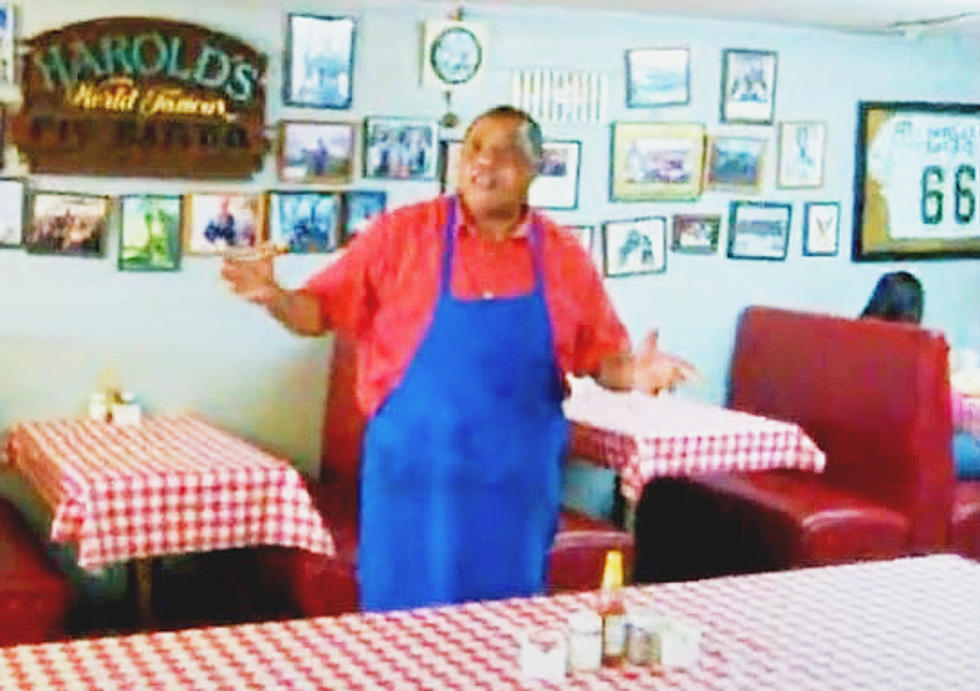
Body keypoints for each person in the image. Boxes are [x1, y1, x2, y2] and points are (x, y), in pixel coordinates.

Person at [221, 105, 696, 612]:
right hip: (412, 487)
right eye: (474, 148)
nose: (485, 163)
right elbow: (316, 313)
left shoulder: (564, 256)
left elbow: (603, 359)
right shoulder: (400, 236)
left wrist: (638, 372)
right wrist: (275, 297)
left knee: (503, 632)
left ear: (537, 168)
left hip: (512, 494)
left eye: (507, 151)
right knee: (398, 636)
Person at [859, 270, 979, 478]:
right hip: (906, 453)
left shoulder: (856, 337)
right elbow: (945, 407)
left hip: (868, 447)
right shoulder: (909, 350)